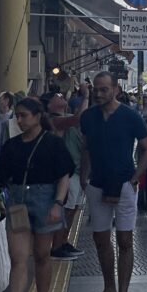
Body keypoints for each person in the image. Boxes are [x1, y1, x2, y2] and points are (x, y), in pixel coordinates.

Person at [0, 97, 74, 292]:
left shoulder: (52, 143)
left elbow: (64, 174)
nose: (20, 120)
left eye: (24, 115)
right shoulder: (12, 146)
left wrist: (58, 203)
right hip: (17, 202)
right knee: (18, 257)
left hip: (44, 200)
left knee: (43, 255)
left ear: (37, 116)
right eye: (18, 115)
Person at [79, 71, 147, 292]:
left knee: (124, 241)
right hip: (97, 184)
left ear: (116, 90)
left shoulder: (130, 116)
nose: (99, 94)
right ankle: (109, 289)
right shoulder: (88, 117)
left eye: (104, 89)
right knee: (100, 239)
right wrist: (83, 175)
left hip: (123, 184)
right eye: (96, 89)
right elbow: (87, 147)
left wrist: (135, 178)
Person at [46, 84, 90, 260]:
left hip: (76, 170)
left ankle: (63, 241)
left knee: (72, 209)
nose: (62, 95)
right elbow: (80, 118)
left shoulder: (64, 118)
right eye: (57, 95)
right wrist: (86, 96)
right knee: (66, 210)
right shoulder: (53, 120)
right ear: (49, 104)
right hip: (66, 173)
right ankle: (56, 246)